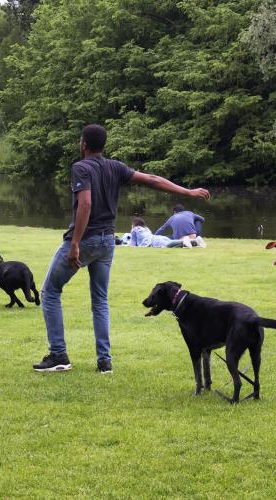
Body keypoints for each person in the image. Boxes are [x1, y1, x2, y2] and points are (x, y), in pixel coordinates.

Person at [33, 124, 210, 374]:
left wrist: (74, 243)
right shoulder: (114, 167)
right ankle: (104, 361)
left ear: (83, 144)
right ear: (103, 145)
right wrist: (187, 191)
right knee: (100, 300)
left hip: (86, 239)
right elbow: (152, 179)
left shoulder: (80, 168)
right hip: (107, 241)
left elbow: (85, 204)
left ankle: (58, 355)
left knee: (50, 291)